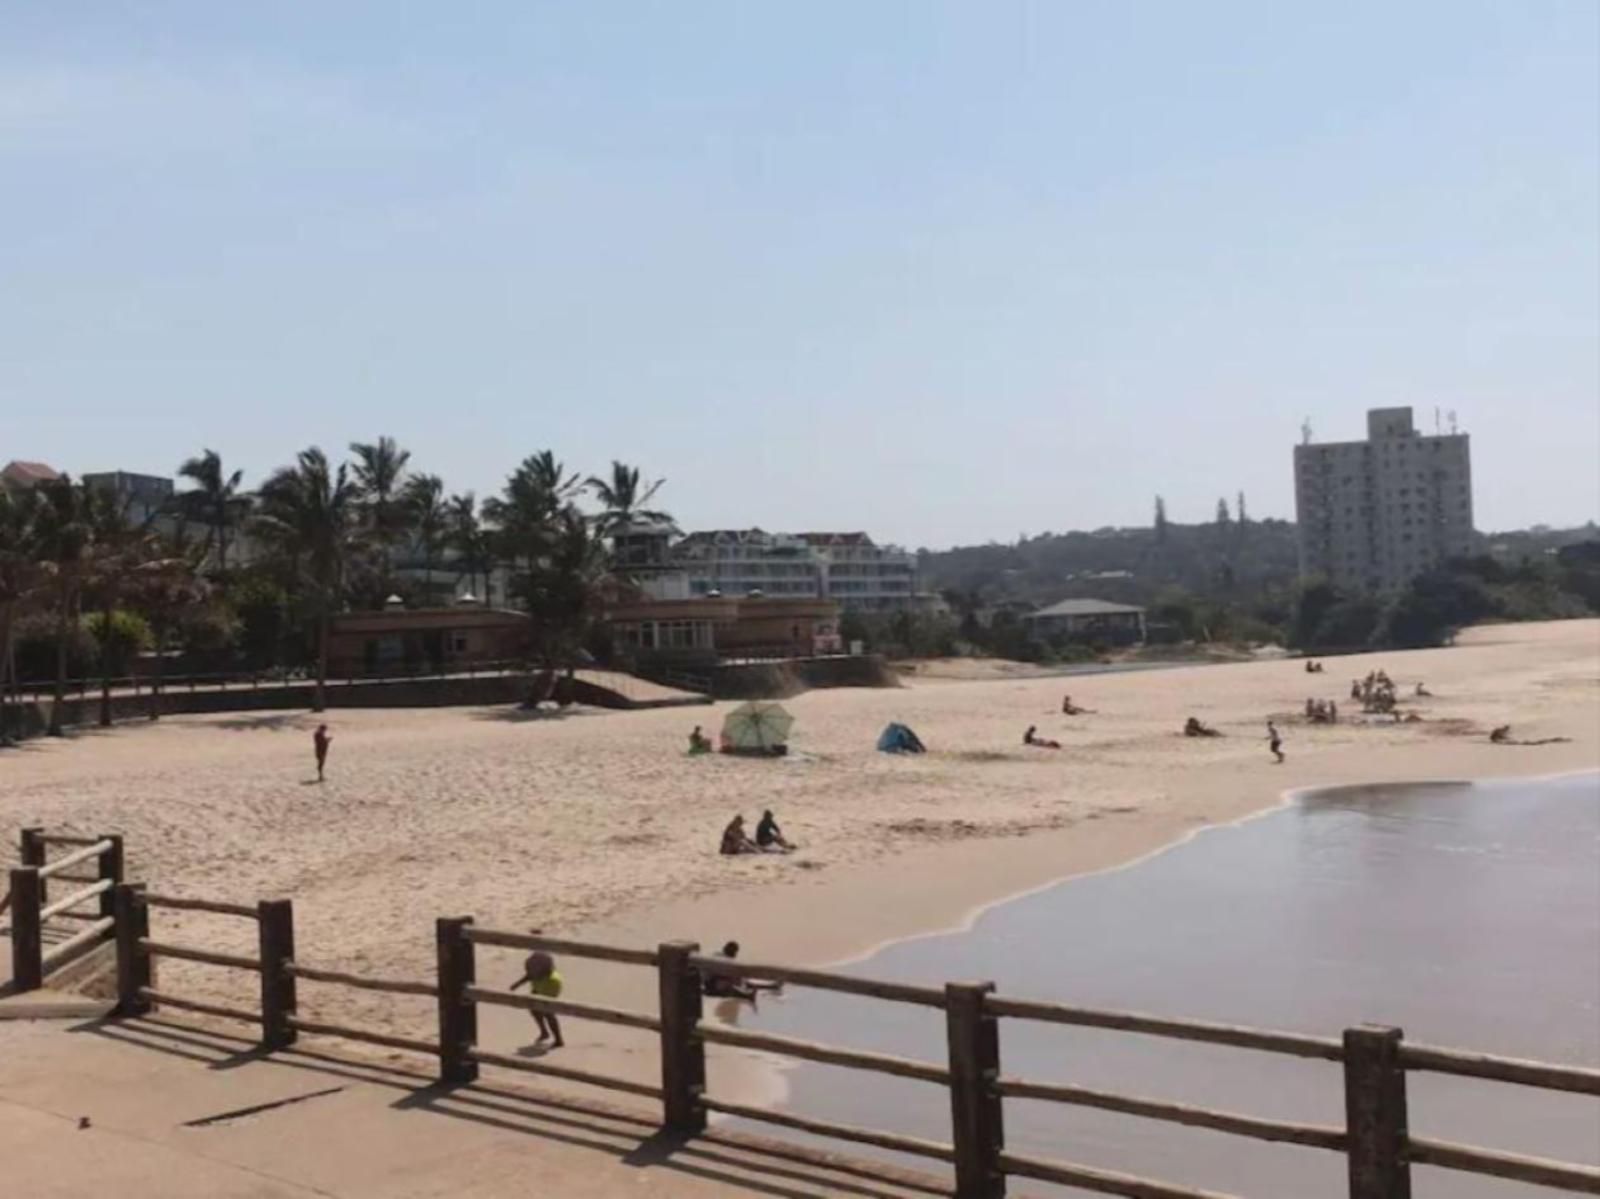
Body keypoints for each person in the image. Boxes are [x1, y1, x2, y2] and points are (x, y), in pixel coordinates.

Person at [510, 947, 564, 1047]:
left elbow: (538, 973)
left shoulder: (552, 979)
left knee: (548, 1013)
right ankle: (544, 1032)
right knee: (534, 1009)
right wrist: (517, 984)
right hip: (538, 986)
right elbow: (529, 975)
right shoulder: (534, 966)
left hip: (549, 987)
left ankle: (558, 1040)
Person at [702, 941, 783, 1002]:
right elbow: (711, 974)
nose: (735, 955)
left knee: (743, 982)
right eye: (734, 952)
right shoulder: (720, 958)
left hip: (715, 982)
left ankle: (770, 986)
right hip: (711, 985)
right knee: (738, 984)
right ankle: (749, 995)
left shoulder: (723, 957)